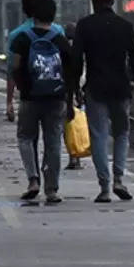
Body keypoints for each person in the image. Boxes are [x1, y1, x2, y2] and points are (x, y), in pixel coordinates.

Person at [72, 0, 134, 203]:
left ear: (93, 2)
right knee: (122, 134)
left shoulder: (84, 26)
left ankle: (104, 187)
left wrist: (75, 89)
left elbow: (76, 61)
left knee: (99, 136)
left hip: (96, 88)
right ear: (113, 1)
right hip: (121, 88)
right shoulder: (125, 26)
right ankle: (119, 179)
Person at [10, 0, 76, 204]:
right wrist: (70, 97)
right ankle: (52, 189)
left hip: (30, 97)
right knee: (53, 142)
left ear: (33, 15)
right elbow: (71, 71)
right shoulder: (60, 39)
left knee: (25, 138)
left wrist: (21, 87)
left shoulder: (22, 37)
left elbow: (15, 67)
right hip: (56, 97)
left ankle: (33, 180)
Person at [6, 0, 65, 124]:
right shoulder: (58, 31)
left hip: (29, 95)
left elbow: (12, 70)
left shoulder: (16, 35)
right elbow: (66, 64)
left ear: (24, 9)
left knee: (26, 136)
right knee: (53, 136)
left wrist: (9, 102)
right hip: (55, 94)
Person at [62, 21, 83, 170]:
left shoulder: (61, 48)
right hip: (78, 91)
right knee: (77, 126)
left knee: (67, 128)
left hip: (63, 93)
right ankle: (77, 156)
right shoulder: (80, 49)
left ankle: (72, 157)